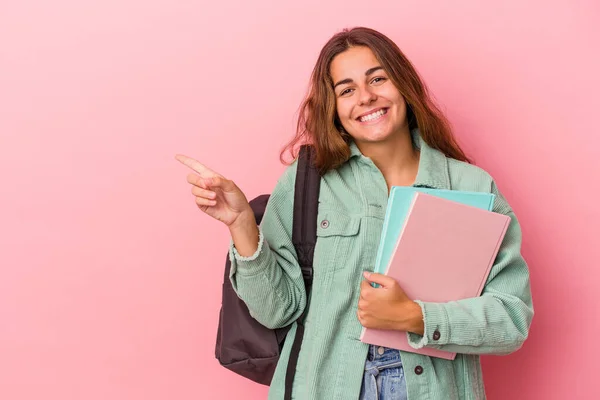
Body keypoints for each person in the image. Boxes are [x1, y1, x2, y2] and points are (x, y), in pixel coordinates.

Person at [176, 27, 533, 400]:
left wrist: (414, 317)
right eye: (346, 90)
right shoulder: (307, 181)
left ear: (404, 85)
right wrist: (241, 224)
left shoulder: (471, 187)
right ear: (334, 109)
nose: (366, 97)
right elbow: (276, 311)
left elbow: (511, 318)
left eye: (377, 78)